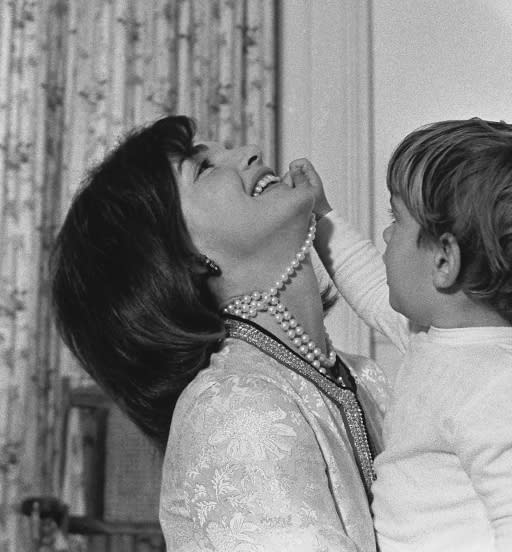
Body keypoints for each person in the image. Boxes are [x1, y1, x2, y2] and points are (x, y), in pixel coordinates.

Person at [50, 115, 390, 551]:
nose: (250, 151)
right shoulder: (232, 408)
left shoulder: (364, 379)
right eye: (204, 168)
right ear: (178, 255)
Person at [297, 118, 512, 551]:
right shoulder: (442, 331)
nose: (385, 233)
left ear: (444, 260)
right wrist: (321, 216)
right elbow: (370, 285)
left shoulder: (502, 381)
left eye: (396, 219)